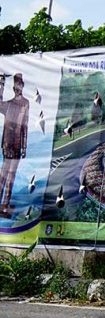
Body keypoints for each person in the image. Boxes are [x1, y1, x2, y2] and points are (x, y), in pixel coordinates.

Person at [0, 73, 31, 219]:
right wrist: (1, 85)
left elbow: (25, 125)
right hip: (7, 143)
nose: (17, 88)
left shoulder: (25, 103)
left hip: (17, 145)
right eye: (15, 85)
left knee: (11, 176)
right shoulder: (8, 104)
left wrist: (24, 146)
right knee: (2, 176)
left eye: (19, 85)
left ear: (22, 86)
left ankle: (5, 205)